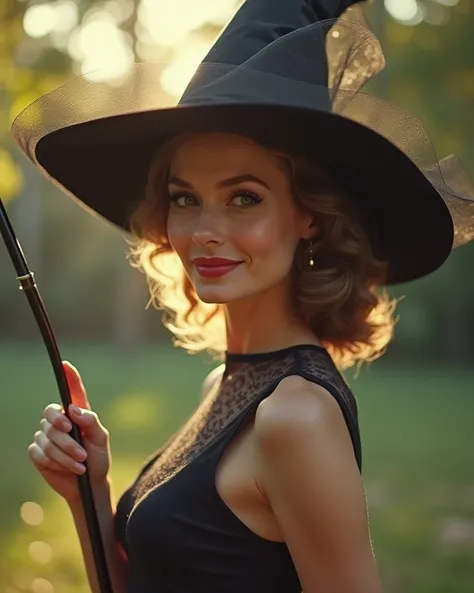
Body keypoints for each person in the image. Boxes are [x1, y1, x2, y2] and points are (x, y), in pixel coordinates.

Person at [16, 1, 474, 592]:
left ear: (308, 215)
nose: (206, 228)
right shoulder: (228, 385)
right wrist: (88, 493)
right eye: (185, 198)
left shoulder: (295, 417)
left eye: (244, 198)